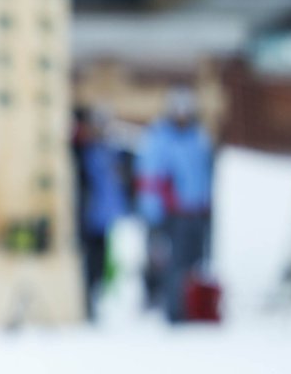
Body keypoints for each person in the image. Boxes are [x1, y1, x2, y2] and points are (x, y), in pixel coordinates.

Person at [135, 87, 213, 323]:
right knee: (174, 264)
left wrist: (206, 206)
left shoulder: (198, 137)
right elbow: (150, 178)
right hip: (172, 213)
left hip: (196, 211)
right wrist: (153, 213)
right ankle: (174, 311)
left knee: (195, 261)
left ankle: (194, 307)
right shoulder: (159, 138)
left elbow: (205, 174)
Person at [73, 107, 129, 321]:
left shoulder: (110, 151)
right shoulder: (82, 152)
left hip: (104, 217)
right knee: (87, 263)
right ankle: (86, 305)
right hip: (86, 217)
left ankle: (95, 302)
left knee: (101, 264)